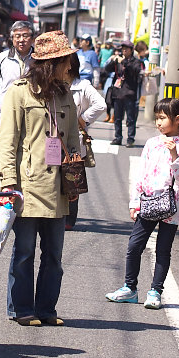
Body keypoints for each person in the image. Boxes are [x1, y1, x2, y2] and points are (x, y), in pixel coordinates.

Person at [0, 30, 80, 327]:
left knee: (55, 255)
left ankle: (46, 308)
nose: (69, 67)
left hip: (58, 185)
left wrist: (75, 181)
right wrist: (8, 181)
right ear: (50, 63)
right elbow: (7, 141)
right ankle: (21, 309)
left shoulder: (66, 94)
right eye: (65, 61)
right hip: (27, 184)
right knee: (24, 252)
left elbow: (72, 142)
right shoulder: (19, 92)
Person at [106, 98, 179, 309]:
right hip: (147, 202)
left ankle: (156, 291)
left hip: (171, 206)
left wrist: (174, 154)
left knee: (163, 250)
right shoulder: (152, 143)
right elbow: (141, 174)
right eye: (157, 118)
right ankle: (130, 287)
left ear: (177, 119)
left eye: (163, 118)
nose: (158, 122)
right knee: (134, 245)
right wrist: (134, 202)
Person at [65, 51, 105, 231]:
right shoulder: (53, 83)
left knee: (73, 175)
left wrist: (82, 119)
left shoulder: (82, 85)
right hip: (53, 137)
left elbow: (101, 104)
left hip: (75, 137)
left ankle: (69, 218)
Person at [0, 20, 34, 126]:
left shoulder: (39, 60)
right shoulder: (1, 58)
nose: (21, 40)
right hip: (5, 113)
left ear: (32, 38)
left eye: (25, 36)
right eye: (17, 36)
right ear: (12, 38)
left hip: (31, 116)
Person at [105, 40, 143, 147]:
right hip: (117, 92)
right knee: (117, 117)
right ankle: (118, 137)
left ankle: (130, 139)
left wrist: (124, 62)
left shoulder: (135, 62)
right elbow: (107, 69)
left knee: (130, 118)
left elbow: (136, 71)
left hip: (129, 93)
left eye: (126, 48)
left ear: (131, 50)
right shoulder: (118, 60)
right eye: (123, 48)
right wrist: (112, 60)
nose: (124, 50)